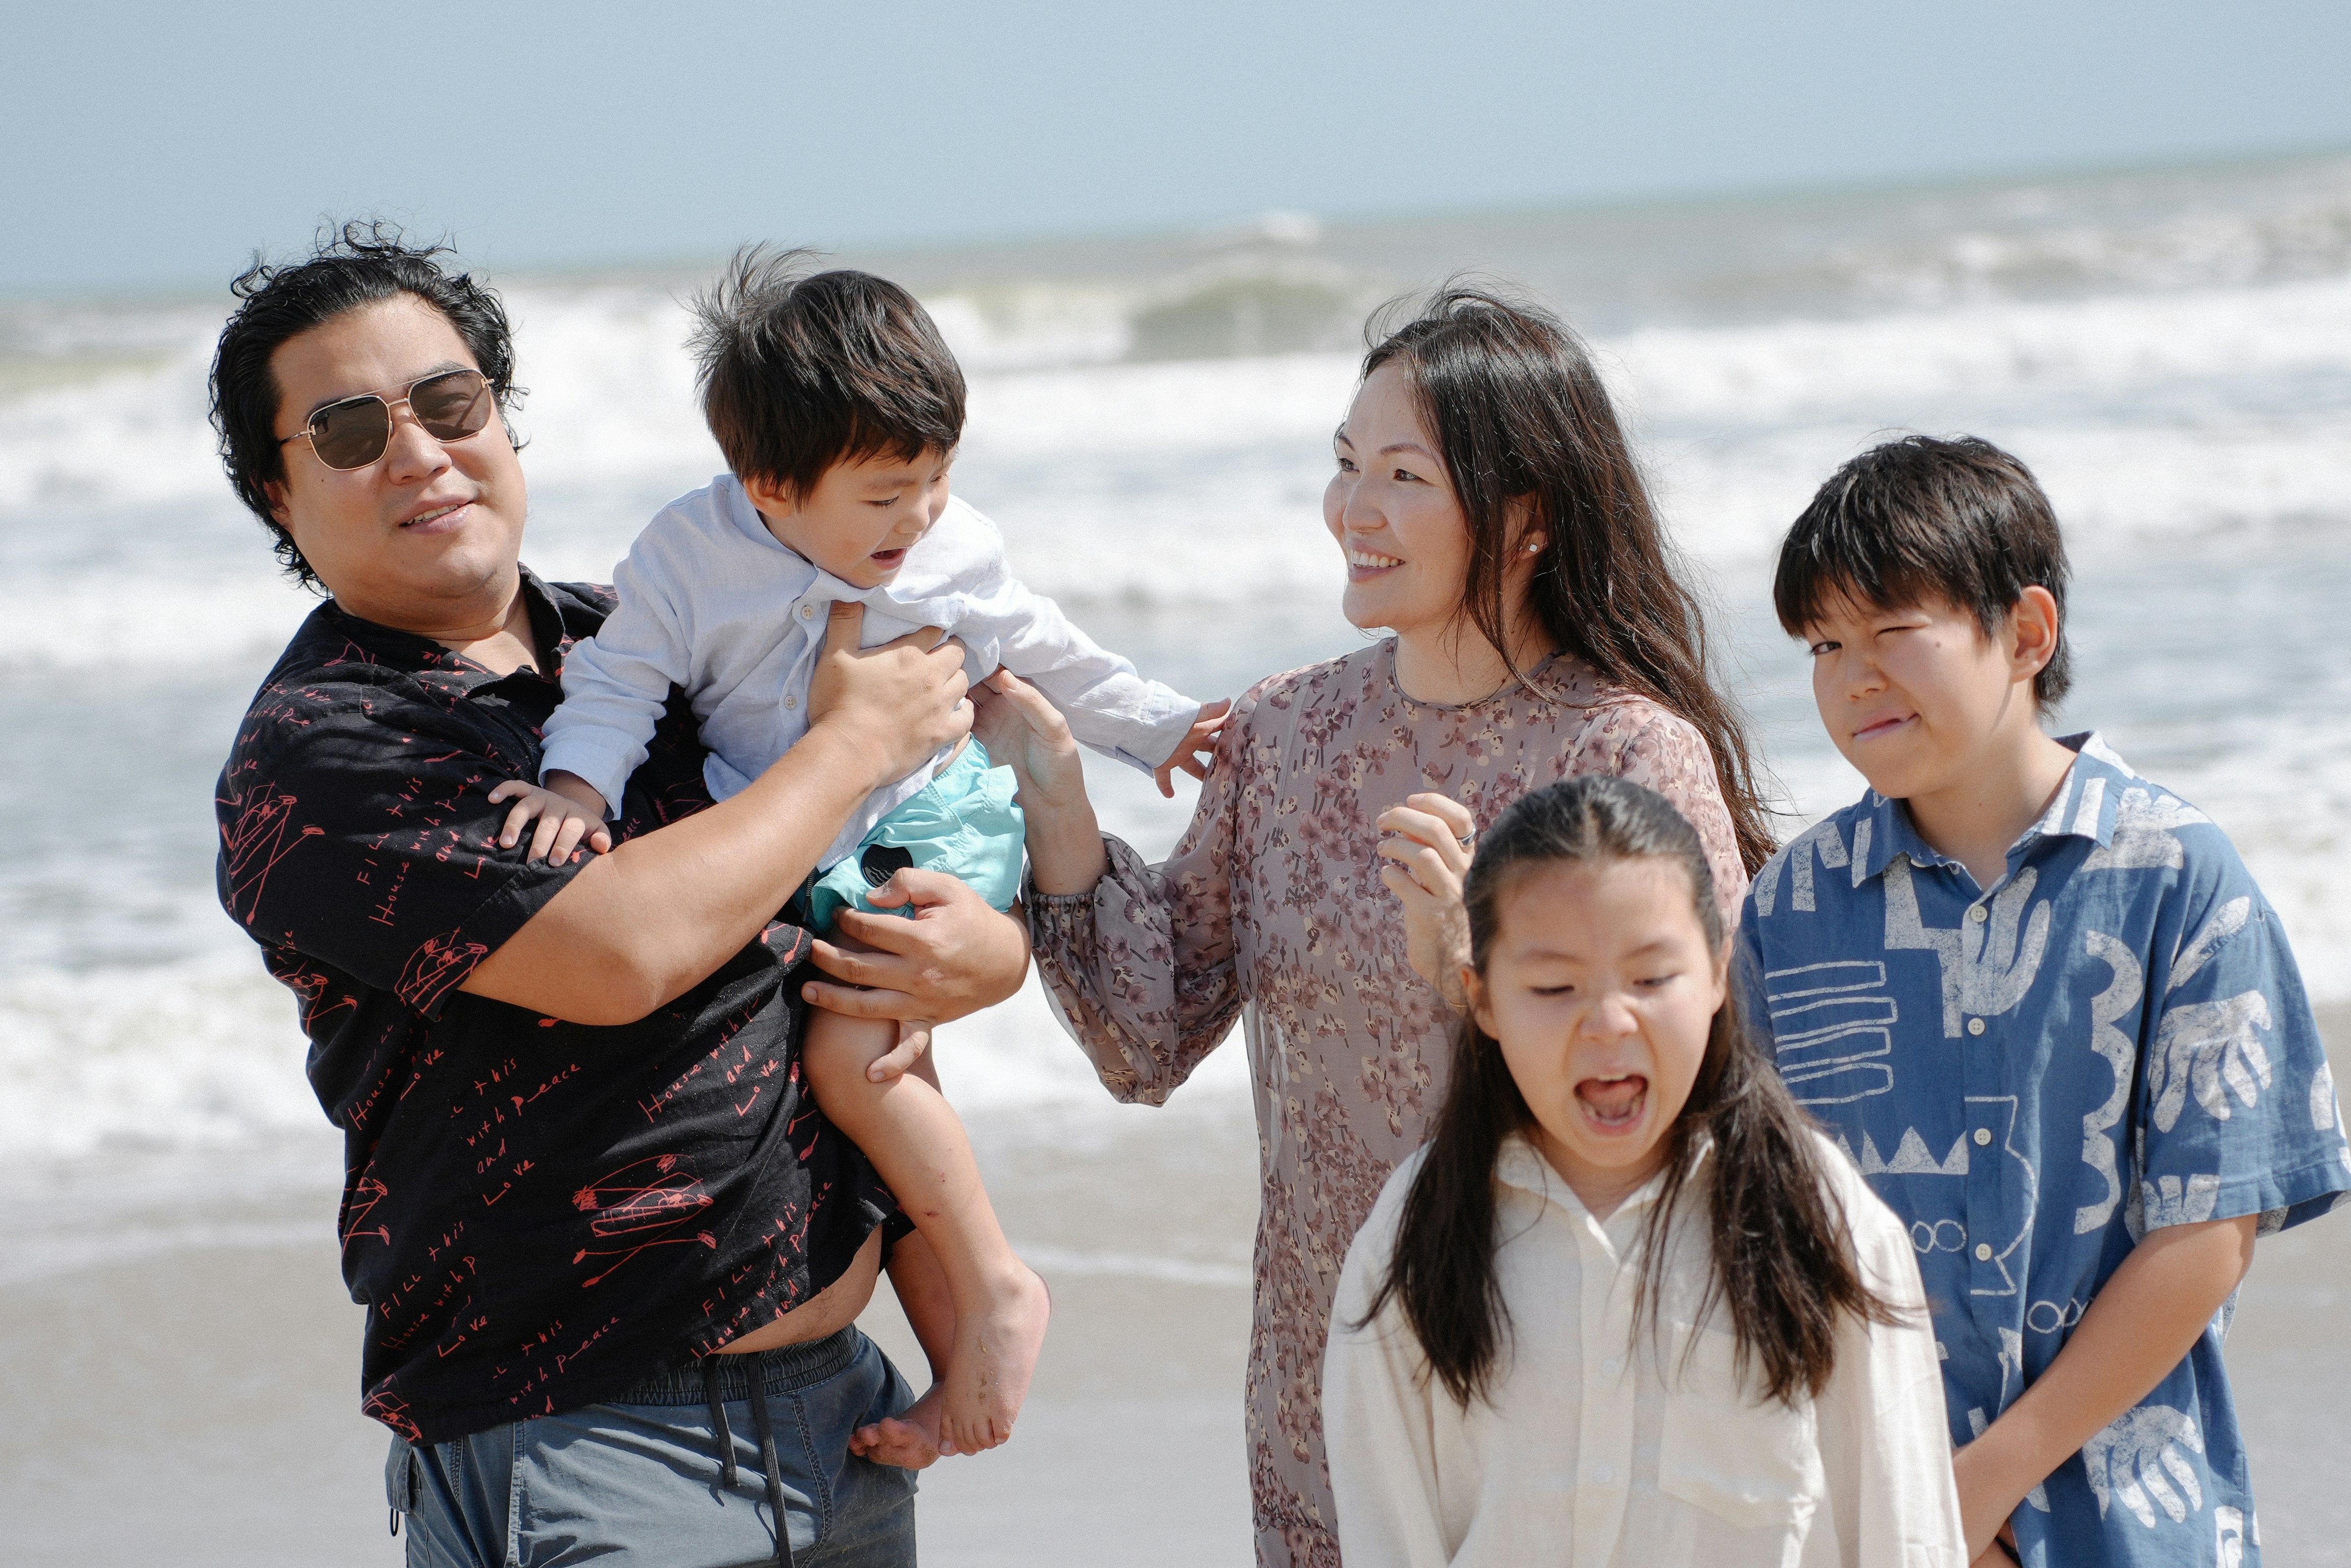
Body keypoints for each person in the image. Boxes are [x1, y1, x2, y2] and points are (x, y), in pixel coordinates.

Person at [209, 224, 1030, 1567]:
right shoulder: (326, 747)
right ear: (275, 495)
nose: (418, 452)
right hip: (584, 1445)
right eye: (350, 431)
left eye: (450, 403)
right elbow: (618, 952)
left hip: (844, 1427)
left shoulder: (634, 634)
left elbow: (884, 829)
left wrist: (986, 951)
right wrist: (846, 748)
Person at [974, 286, 1775, 1566]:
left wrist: (1477, 971)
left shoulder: (1629, 755)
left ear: (1525, 520)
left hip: (1571, 1385)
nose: (1354, 508)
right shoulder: (1285, 736)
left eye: (1404, 474)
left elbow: (1710, 1094)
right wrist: (1057, 797)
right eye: (1346, 465)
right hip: (1327, 1389)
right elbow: (1146, 1038)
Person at [489, 251, 1223, 1457]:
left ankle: (995, 1286)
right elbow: (619, 679)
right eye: (886, 494)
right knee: (816, 1043)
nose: (920, 518)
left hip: (932, 811)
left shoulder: (950, 546)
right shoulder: (686, 556)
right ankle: (957, 1331)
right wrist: (576, 784)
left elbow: (1050, 645)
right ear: (769, 484)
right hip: (779, 822)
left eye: (936, 480)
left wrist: (1158, 726)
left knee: (856, 1051)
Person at [1738, 435, 2351, 1567]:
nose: (1852, 675)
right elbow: (1762, 1227)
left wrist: (1984, 1481)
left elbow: (2211, 1229)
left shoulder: (2177, 874)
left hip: (2134, 1515)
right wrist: (1909, 1501)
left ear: (2026, 633)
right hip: (1862, 1511)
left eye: (1890, 632)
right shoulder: (1791, 906)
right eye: (1824, 644)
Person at [1322, 775, 1966, 1566]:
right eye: (1554, 987)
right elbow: (1388, 1533)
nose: (1608, 1022)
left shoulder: (1824, 1218)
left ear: (1720, 975)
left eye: (1653, 979)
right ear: (1481, 999)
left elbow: (1906, 1534)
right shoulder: (1416, 1235)